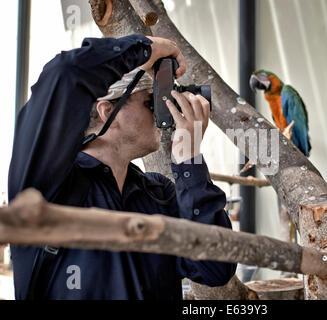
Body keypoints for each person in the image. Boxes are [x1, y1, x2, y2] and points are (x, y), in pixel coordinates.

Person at [8, 33, 236, 300]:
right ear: (107, 111)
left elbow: (215, 268)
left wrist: (190, 160)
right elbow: (64, 73)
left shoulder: (157, 195)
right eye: (150, 101)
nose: (161, 111)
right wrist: (147, 48)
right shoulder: (48, 185)